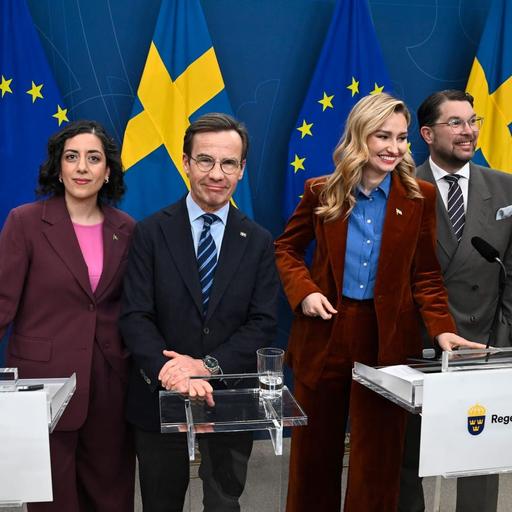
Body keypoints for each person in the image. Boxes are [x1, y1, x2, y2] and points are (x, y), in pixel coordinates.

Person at [275, 93, 484, 512]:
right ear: (360, 137)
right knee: (313, 461)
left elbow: (426, 276)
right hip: (326, 336)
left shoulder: (419, 196)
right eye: (382, 136)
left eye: (402, 138)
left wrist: (443, 329)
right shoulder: (322, 190)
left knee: (377, 465)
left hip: (386, 342)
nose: (394, 147)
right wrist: (305, 292)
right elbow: (286, 249)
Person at [119, 112, 279, 512]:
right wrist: (171, 371)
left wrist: (206, 366)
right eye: (205, 160)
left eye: (228, 163)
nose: (216, 173)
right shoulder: (149, 232)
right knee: (160, 504)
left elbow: (262, 322)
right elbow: (135, 315)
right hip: (159, 396)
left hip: (230, 397)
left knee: (225, 503)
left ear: (242, 169)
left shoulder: (258, 240)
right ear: (186, 162)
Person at [0, 120, 135, 511]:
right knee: (50, 500)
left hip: (109, 385)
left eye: (93, 158)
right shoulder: (25, 222)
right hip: (42, 387)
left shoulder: (127, 229)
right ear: (58, 168)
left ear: (107, 171)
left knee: (111, 498)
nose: (81, 167)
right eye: (72, 157)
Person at [398, 89, 512, 512]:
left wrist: (499, 345)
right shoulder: (401, 187)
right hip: (417, 349)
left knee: (479, 460)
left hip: (483, 349)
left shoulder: (506, 188)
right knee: (405, 463)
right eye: (456, 123)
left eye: (473, 121)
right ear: (427, 134)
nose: (469, 131)